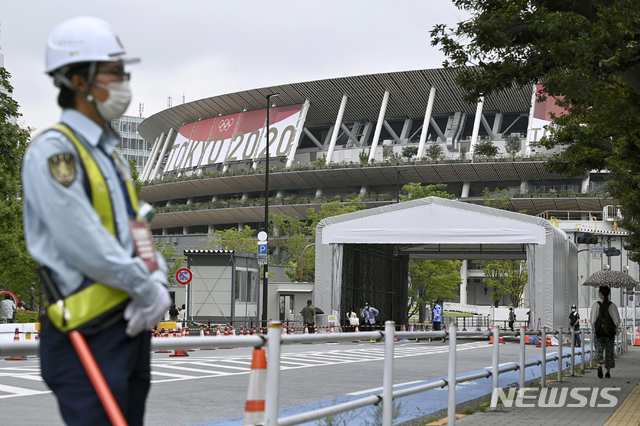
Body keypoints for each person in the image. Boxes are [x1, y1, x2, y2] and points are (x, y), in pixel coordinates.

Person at [22, 17, 171, 426]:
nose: (124, 83)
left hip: (128, 327)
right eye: (114, 73)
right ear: (78, 80)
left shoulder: (112, 156)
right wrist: (146, 289)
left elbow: (136, 229)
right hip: (86, 332)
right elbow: (83, 242)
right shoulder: (54, 153)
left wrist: (157, 281)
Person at [591, 286, 620, 379]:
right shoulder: (612, 305)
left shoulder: (596, 305)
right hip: (610, 334)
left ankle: (599, 366)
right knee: (609, 352)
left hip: (599, 333)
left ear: (600, 293)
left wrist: (594, 329)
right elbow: (617, 321)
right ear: (609, 294)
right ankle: (607, 372)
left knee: (599, 351)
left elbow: (593, 321)